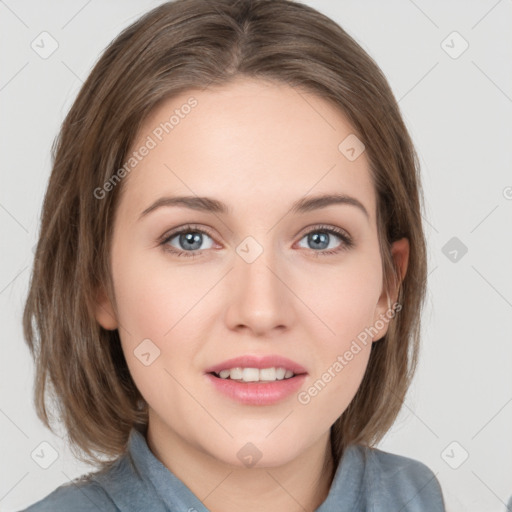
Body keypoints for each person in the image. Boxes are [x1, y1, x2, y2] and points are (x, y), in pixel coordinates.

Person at [21, 0, 445, 510]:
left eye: (319, 238)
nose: (261, 310)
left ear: (387, 289)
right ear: (98, 281)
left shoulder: (416, 497)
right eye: (190, 239)